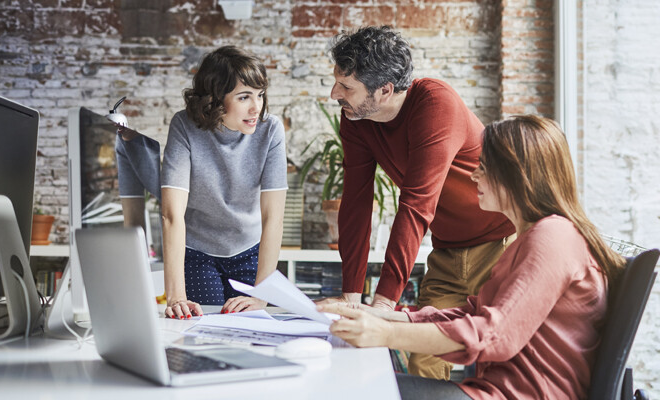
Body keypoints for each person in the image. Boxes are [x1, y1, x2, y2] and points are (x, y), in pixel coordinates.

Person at [319, 115, 627, 400]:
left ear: (517, 175)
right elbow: (470, 314)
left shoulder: (553, 238)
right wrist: (375, 315)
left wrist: (386, 334)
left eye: (485, 166)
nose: (474, 174)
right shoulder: (533, 238)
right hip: (495, 391)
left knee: (354, 388)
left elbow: (493, 334)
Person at [320, 25, 516, 379]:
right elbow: (356, 202)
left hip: (502, 247)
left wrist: (382, 305)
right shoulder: (356, 118)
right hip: (448, 254)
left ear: (385, 90)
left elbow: (417, 204)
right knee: (424, 363)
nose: (335, 94)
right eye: (337, 82)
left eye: (347, 87)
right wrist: (351, 297)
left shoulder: (434, 103)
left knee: (503, 360)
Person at [161, 46, 288, 320]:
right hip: (198, 253)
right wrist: (176, 297)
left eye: (260, 95)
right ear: (216, 99)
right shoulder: (184, 126)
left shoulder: (271, 130)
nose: (257, 107)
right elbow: (172, 214)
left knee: (253, 327)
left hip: (250, 249)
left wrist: (262, 294)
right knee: (202, 326)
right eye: (244, 97)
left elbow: (273, 217)